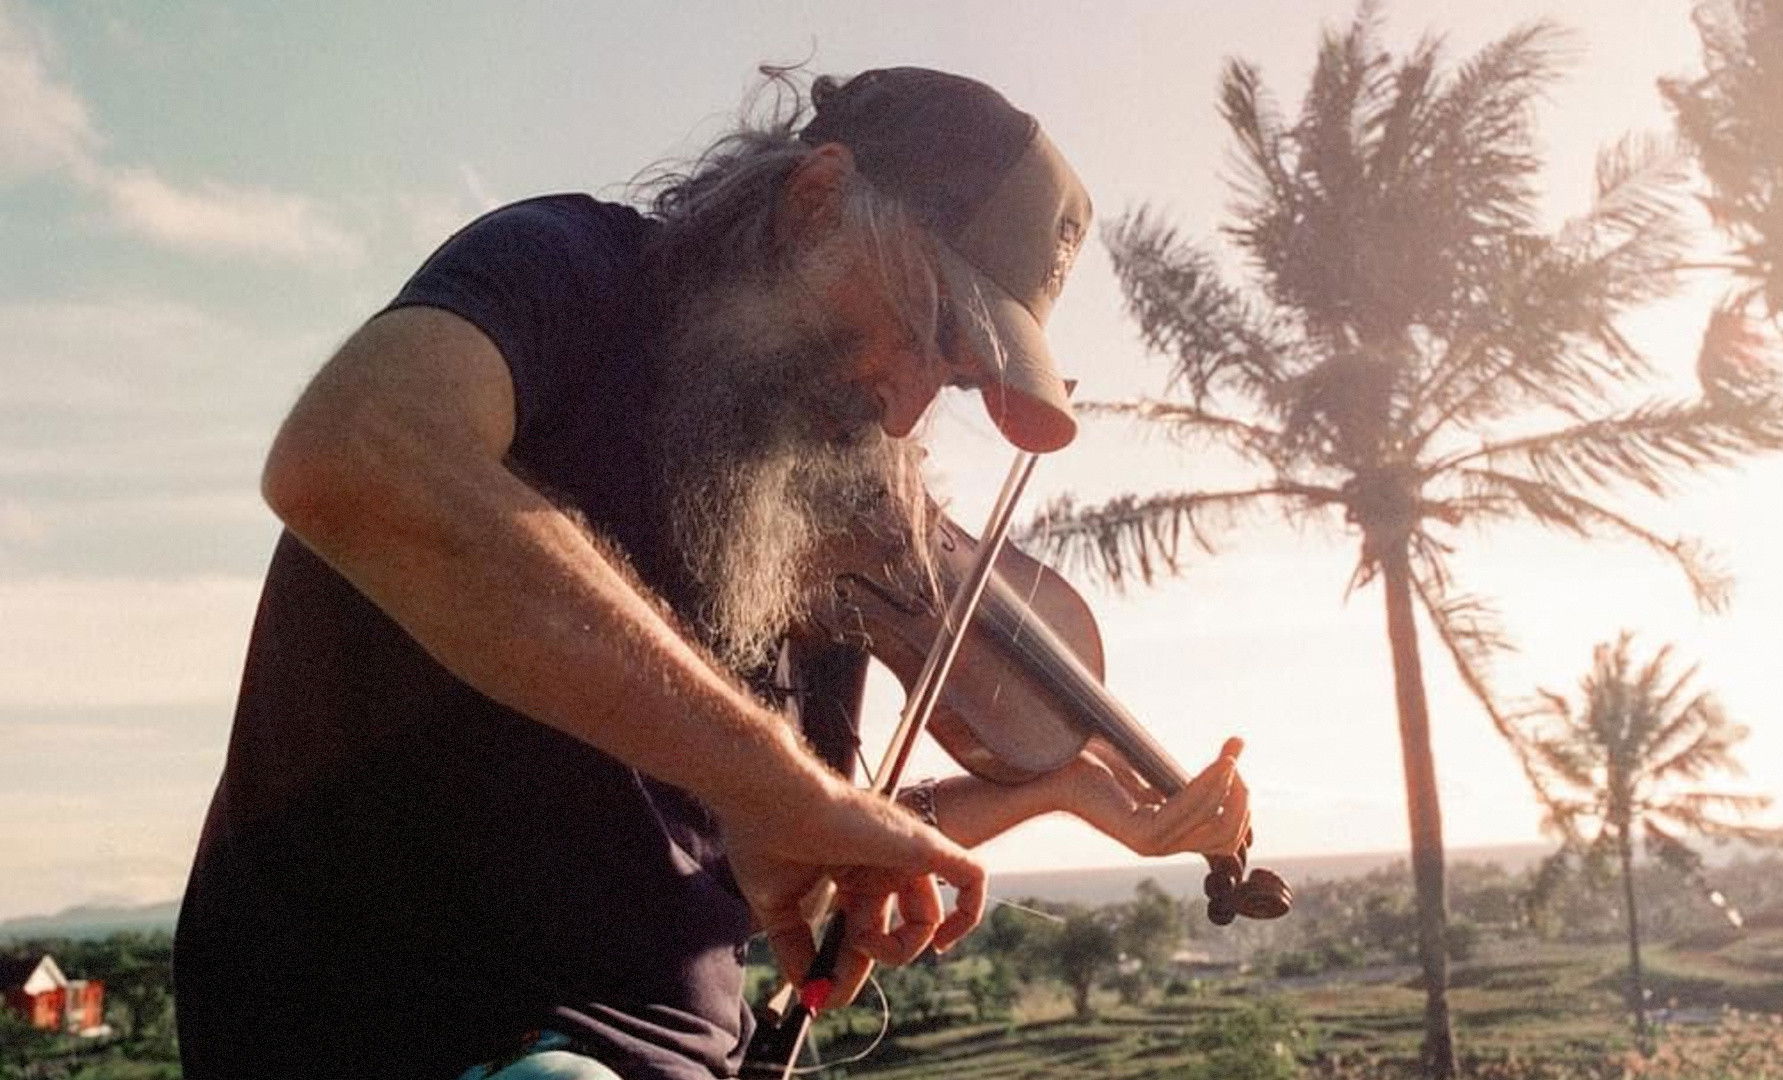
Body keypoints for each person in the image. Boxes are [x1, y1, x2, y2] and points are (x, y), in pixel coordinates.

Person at [172, 67, 1252, 1080]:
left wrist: (1051, 789)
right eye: (926, 329)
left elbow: (789, 844)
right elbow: (354, 456)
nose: (906, 411)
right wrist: (777, 786)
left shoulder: (816, 491)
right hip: (427, 1031)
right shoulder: (571, 273)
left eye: (957, 380)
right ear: (817, 200)